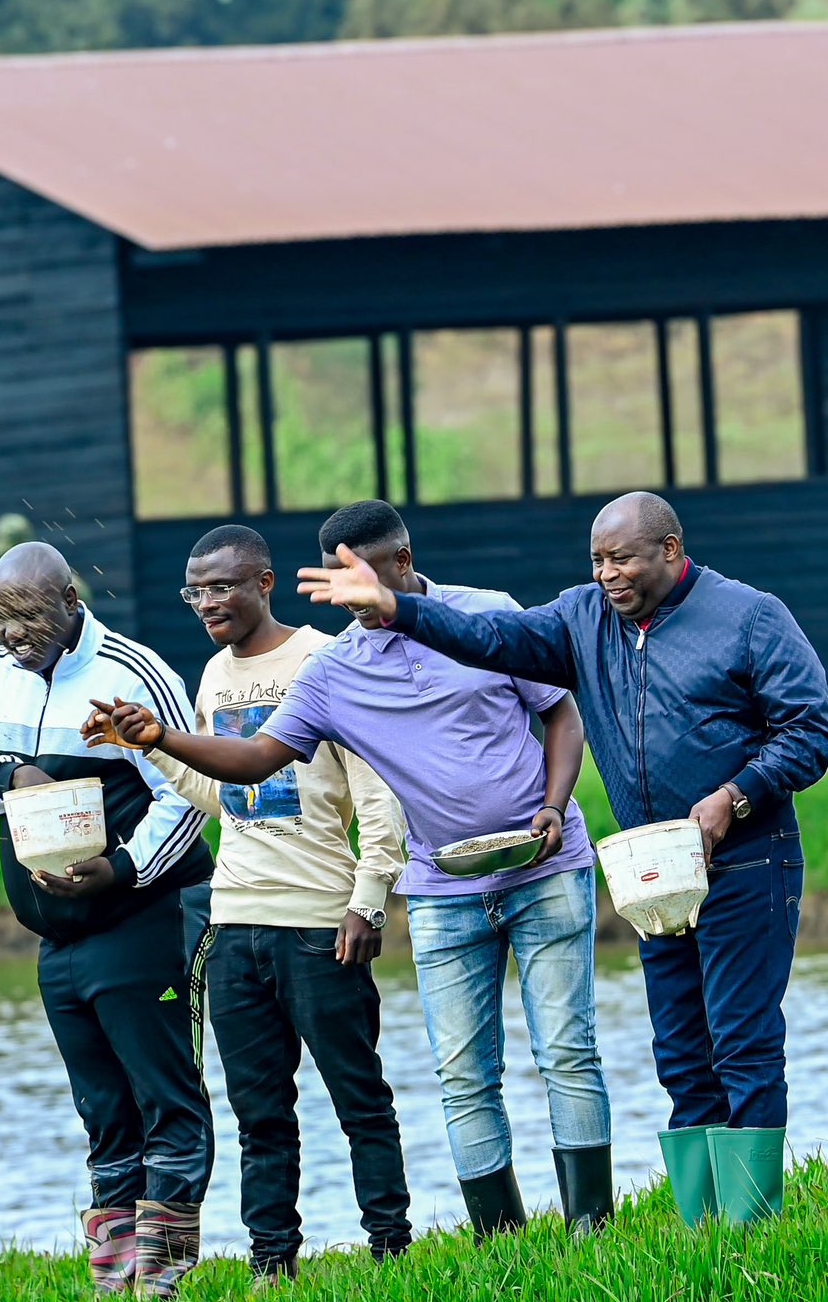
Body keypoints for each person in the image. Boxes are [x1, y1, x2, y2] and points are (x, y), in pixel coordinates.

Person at [302, 490, 828, 1228]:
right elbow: (489, 639)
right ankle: (704, 1226)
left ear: (671, 552)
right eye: (597, 560)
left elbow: (811, 730)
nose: (609, 574)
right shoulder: (581, 618)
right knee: (681, 1048)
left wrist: (734, 798)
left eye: (623, 559)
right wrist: (398, 610)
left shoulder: (749, 616)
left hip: (747, 860)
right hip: (652, 866)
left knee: (742, 1039)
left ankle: (753, 1224)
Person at [91, 500, 612, 1244]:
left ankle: (589, 1229)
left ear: (401, 562)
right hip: (439, 888)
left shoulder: (486, 615)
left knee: (565, 1049)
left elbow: (561, 713)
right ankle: (505, 1245)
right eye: (336, 582)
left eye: (358, 579)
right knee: (463, 1075)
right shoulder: (336, 669)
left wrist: (555, 805)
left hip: (543, 866)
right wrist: (161, 739)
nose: (348, 599)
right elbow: (254, 762)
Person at [89, 523, 411, 1280]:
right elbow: (221, 794)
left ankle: (391, 1250)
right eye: (195, 590)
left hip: (318, 924)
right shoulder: (213, 675)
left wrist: (368, 899)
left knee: (359, 1098)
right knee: (260, 1116)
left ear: (264, 583)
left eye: (222, 586)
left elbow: (378, 789)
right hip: (233, 924)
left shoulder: (325, 659)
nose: (207, 602)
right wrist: (151, 748)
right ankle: (272, 1265)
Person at [0, 541, 214, 1301]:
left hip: (142, 915)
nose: (10, 634)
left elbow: (190, 792)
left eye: (26, 616)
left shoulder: (133, 671)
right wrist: (10, 775)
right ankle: (114, 1277)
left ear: (68, 600)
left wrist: (122, 868)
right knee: (100, 1105)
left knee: (164, 1094)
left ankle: (165, 1277)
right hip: (52, 934)